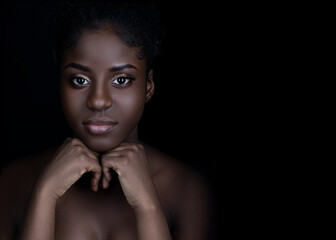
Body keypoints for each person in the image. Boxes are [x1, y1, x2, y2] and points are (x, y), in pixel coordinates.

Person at [0, 2, 210, 240]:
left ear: (148, 86)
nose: (98, 101)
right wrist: (44, 194)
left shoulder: (184, 188)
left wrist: (148, 206)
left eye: (121, 80)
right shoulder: (12, 183)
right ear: (60, 84)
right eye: (80, 80)